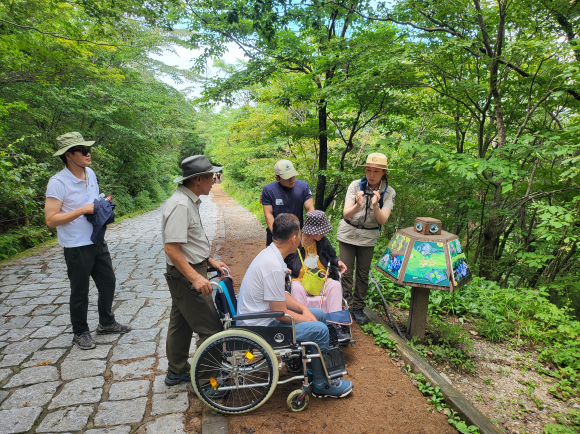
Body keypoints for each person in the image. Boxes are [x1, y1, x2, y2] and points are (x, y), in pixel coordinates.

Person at [237, 213, 353, 398]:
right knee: (321, 329)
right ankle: (321, 385)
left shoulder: (271, 255)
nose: (301, 237)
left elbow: (281, 295)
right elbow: (280, 313)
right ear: (293, 239)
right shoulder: (273, 265)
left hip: (263, 318)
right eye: (299, 234)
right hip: (261, 327)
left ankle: (307, 364)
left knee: (319, 315)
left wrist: (304, 309)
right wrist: (306, 318)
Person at [45, 132, 131, 350]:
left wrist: (102, 206)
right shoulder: (57, 182)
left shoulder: (90, 173)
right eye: (82, 150)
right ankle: (80, 332)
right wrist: (82, 209)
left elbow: (93, 201)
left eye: (88, 149)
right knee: (80, 291)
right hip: (76, 246)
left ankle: (106, 322)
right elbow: (51, 220)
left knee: (108, 282)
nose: (88, 153)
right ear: (68, 155)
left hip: (96, 239)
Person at [162, 155, 231, 387]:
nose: (214, 180)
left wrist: (208, 260)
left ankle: (177, 370)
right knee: (211, 328)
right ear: (198, 179)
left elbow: (189, 241)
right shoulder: (181, 205)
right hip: (186, 274)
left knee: (180, 322)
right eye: (211, 177)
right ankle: (207, 383)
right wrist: (195, 277)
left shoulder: (188, 200)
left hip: (190, 269)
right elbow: (172, 249)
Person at [337, 153, 395, 325]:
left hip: (368, 236)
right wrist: (358, 205)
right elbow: (346, 213)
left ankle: (358, 308)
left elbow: (382, 219)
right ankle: (345, 305)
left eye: (376, 171)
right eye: (368, 170)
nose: (371, 174)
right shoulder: (356, 185)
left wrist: (376, 205)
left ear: (383, 172)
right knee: (345, 271)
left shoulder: (389, 192)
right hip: (348, 233)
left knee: (362, 274)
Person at [284, 211, 348, 341]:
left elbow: (332, 256)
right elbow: (282, 257)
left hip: (320, 278)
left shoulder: (322, 241)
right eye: (321, 231)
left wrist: (338, 262)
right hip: (299, 279)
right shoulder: (295, 241)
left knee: (335, 285)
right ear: (312, 231)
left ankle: (335, 326)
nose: (324, 233)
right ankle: (305, 325)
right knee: (295, 288)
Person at [261, 159, 314, 246]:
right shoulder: (269, 190)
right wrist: (278, 236)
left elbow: (310, 210)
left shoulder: (303, 187)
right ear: (277, 178)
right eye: (287, 177)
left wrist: (307, 233)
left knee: (298, 259)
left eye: (293, 175)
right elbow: (268, 214)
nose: (292, 179)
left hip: (297, 234)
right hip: (276, 236)